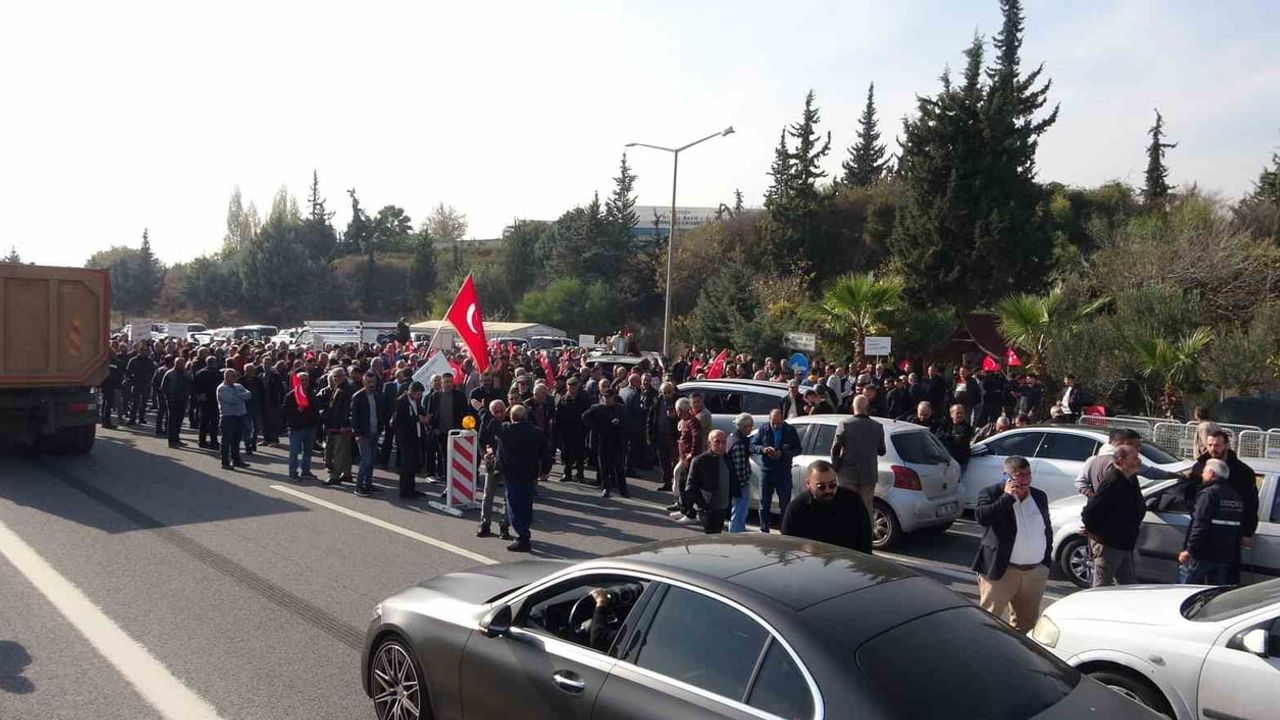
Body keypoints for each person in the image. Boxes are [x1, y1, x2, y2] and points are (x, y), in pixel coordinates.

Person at [971, 456, 1052, 633]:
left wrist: (1045, 562)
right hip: (1002, 571)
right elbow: (983, 518)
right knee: (989, 620)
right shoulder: (991, 494)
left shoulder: (1039, 496)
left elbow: (1046, 529)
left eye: (1028, 474)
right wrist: (1007, 497)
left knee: (1027, 622)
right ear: (1006, 476)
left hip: (1034, 572)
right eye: (1019, 475)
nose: (1024, 480)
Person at [1181, 430, 1259, 584]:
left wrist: (1248, 532)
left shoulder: (1242, 472)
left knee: (1222, 581)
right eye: (1209, 445)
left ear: (1226, 445)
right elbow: (1189, 497)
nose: (1212, 448)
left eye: (1217, 445)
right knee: (1191, 585)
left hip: (1229, 534)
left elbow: (1251, 504)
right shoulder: (1199, 467)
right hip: (1204, 534)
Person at [1081, 446, 1146, 587]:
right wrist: (1096, 535)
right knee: (1101, 588)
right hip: (1109, 546)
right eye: (1134, 458)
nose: (1138, 461)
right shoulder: (1113, 482)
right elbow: (1089, 513)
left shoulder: (1131, 479)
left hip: (1125, 544)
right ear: (1121, 461)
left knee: (1128, 587)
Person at [782, 459, 873, 553]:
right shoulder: (796, 509)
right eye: (821, 487)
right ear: (808, 484)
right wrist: (803, 548)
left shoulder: (852, 501)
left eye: (832, 485)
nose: (828, 490)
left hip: (847, 562)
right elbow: (788, 546)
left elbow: (865, 537)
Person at [498, 404, 550, 552]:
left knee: (514, 506)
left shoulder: (507, 431)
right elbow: (545, 452)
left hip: (512, 474)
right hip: (530, 473)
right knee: (526, 504)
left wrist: (481, 409)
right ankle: (524, 532)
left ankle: (522, 537)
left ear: (512, 417)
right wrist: (546, 470)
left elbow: (492, 426)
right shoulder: (536, 432)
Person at [1074, 428, 1181, 498]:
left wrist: (1093, 497)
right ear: (1125, 444)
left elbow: (1080, 483)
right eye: (1137, 445)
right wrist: (1180, 476)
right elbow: (1151, 473)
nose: (1139, 449)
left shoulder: (1092, 460)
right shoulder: (1123, 462)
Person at [830, 395, 885, 524]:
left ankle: (847, 537)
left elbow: (835, 449)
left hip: (847, 472)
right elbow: (882, 451)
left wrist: (836, 466)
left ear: (853, 407)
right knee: (866, 507)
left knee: (847, 507)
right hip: (869, 473)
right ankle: (866, 538)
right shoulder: (877, 426)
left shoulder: (845, 424)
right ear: (868, 408)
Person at [751, 409, 802, 533]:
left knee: (785, 503)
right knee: (764, 503)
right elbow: (752, 445)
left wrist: (783, 454)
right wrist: (764, 450)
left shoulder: (790, 431)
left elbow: (798, 449)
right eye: (773, 423)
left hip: (783, 471)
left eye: (778, 423)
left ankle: (784, 530)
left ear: (782, 420)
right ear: (769, 420)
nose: (775, 426)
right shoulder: (764, 429)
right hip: (767, 471)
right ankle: (764, 529)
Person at [583, 386, 628, 498]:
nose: (607, 400)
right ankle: (606, 488)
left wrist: (620, 422)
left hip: (617, 441)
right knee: (604, 467)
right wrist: (596, 428)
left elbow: (627, 422)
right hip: (603, 441)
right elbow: (585, 416)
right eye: (605, 398)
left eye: (610, 398)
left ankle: (623, 489)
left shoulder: (620, 408)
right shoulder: (597, 408)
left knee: (619, 467)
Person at [426, 373, 472, 479]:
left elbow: (466, 414)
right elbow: (430, 415)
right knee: (444, 457)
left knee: (455, 458)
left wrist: (464, 430)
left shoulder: (459, 396)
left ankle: (455, 480)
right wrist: (434, 429)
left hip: (456, 433)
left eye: (451, 382)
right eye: (446, 382)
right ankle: (447, 481)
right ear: (441, 383)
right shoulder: (435, 396)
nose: (449, 384)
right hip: (441, 433)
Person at [476, 399, 511, 540]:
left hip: (507, 464)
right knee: (488, 494)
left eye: (501, 411)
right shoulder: (486, 423)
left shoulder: (510, 421)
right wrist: (484, 453)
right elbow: (481, 441)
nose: (499, 415)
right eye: (495, 412)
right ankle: (485, 523)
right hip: (492, 464)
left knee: (507, 497)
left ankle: (504, 526)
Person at [689, 430, 734, 534]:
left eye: (724, 442)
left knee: (718, 537)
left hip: (723, 508)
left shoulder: (727, 459)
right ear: (709, 443)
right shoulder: (700, 461)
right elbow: (690, 487)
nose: (721, 445)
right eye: (717, 442)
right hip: (708, 509)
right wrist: (703, 505)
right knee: (710, 538)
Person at [669, 397, 704, 523]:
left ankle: (691, 514)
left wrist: (692, 453)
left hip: (690, 461)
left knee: (688, 487)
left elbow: (697, 438)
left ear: (680, 410)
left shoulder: (692, 421)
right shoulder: (684, 421)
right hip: (684, 459)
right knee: (682, 484)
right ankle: (683, 509)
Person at [351, 371, 384, 497]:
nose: (371, 384)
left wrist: (381, 427)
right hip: (363, 434)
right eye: (369, 382)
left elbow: (379, 413)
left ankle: (368, 484)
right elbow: (353, 418)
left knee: (371, 461)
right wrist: (357, 434)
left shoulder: (377, 396)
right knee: (366, 460)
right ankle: (359, 486)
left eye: (373, 382)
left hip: (375, 432)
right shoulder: (357, 397)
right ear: (364, 382)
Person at [392, 381, 428, 498]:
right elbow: (399, 420)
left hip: (415, 436)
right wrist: (417, 418)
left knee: (413, 465)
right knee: (406, 465)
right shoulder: (401, 401)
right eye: (418, 394)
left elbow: (419, 410)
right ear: (412, 391)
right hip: (406, 437)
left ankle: (411, 489)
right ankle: (405, 491)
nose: (419, 396)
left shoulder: (415, 401)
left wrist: (425, 416)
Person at [319, 368, 354, 485]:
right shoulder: (338, 388)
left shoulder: (347, 389)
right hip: (335, 424)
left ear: (344, 376)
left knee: (338, 452)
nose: (336, 378)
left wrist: (345, 424)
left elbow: (347, 409)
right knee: (345, 451)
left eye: (339, 376)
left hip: (341, 425)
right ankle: (347, 473)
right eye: (334, 377)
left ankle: (335, 476)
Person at [216, 368, 252, 470]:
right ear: (226, 377)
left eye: (235, 376)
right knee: (226, 440)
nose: (235, 378)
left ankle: (236, 460)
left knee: (237, 440)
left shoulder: (239, 386)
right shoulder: (222, 388)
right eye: (233, 376)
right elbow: (231, 400)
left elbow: (249, 394)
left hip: (240, 415)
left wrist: (238, 396)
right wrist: (241, 397)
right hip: (228, 417)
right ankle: (225, 462)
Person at [556, 377, 591, 483]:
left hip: (579, 430)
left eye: (574, 386)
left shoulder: (583, 398)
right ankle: (567, 473)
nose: (572, 389)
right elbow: (558, 416)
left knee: (580, 453)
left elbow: (587, 414)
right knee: (566, 453)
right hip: (566, 430)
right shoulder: (563, 399)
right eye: (570, 386)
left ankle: (580, 474)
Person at [725, 413, 755, 533]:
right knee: (739, 513)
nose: (752, 428)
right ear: (744, 426)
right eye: (750, 426)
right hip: (739, 484)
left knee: (737, 511)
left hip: (733, 482)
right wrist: (745, 480)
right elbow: (739, 468)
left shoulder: (732, 437)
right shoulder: (738, 444)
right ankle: (736, 537)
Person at [648, 382, 680, 491]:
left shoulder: (677, 401)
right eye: (664, 392)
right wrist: (649, 436)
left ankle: (676, 483)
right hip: (660, 435)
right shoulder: (657, 401)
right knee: (663, 460)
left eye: (669, 392)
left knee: (674, 461)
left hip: (673, 436)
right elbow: (650, 418)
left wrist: (675, 417)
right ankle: (666, 481)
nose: (666, 395)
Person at [379, 369, 410, 469]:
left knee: (400, 441)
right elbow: (384, 402)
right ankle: (384, 462)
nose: (402, 377)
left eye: (403, 375)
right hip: (389, 417)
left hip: (401, 418)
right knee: (388, 440)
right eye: (400, 375)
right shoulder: (388, 385)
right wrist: (385, 417)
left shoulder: (407, 386)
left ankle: (399, 463)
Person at [192, 356, 223, 450]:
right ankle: (214, 441)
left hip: (204, 399)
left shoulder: (200, 373)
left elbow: (194, 385)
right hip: (215, 399)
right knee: (214, 421)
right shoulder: (218, 373)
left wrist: (198, 395)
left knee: (204, 421)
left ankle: (202, 441)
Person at [160, 357, 191, 448]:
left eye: (182, 363)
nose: (181, 365)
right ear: (175, 364)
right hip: (172, 400)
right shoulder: (170, 374)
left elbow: (190, 384)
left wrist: (187, 396)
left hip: (182, 400)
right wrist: (168, 397)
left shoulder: (186, 374)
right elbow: (164, 387)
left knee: (179, 420)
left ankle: (177, 439)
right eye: (179, 363)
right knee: (172, 420)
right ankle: (171, 440)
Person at [125, 349, 156, 425]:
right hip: (136, 383)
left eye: (145, 350)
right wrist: (130, 379)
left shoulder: (149, 361)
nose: (144, 352)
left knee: (144, 402)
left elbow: (153, 371)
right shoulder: (133, 360)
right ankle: (132, 418)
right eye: (143, 350)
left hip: (146, 383)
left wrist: (150, 379)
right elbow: (128, 371)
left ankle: (141, 418)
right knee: (135, 402)